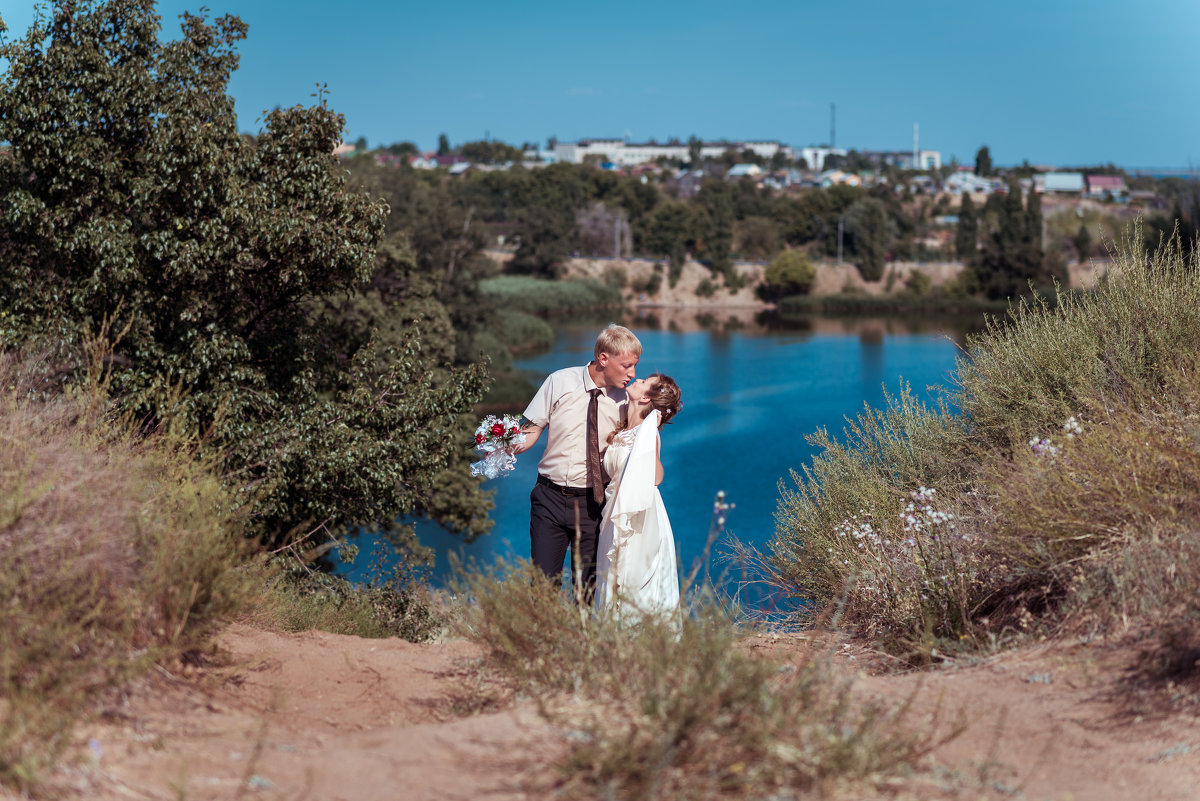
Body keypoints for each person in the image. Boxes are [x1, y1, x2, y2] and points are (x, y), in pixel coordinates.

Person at [514, 324, 642, 600]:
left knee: (588, 592)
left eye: (635, 366)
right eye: (627, 365)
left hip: (593, 505)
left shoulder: (625, 402)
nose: (632, 374)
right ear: (603, 358)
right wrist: (506, 448)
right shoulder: (559, 381)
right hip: (548, 498)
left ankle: (580, 641)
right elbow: (532, 429)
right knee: (543, 587)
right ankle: (542, 641)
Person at [594, 374, 682, 618]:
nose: (638, 378)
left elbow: (657, 476)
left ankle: (636, 642)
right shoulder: (625, 427)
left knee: (631, 577)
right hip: (614, 510)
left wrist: (650, 431)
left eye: (644, 381)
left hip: (637, 515)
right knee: (611, 575)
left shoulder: (647, 432)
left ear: (645, 397)